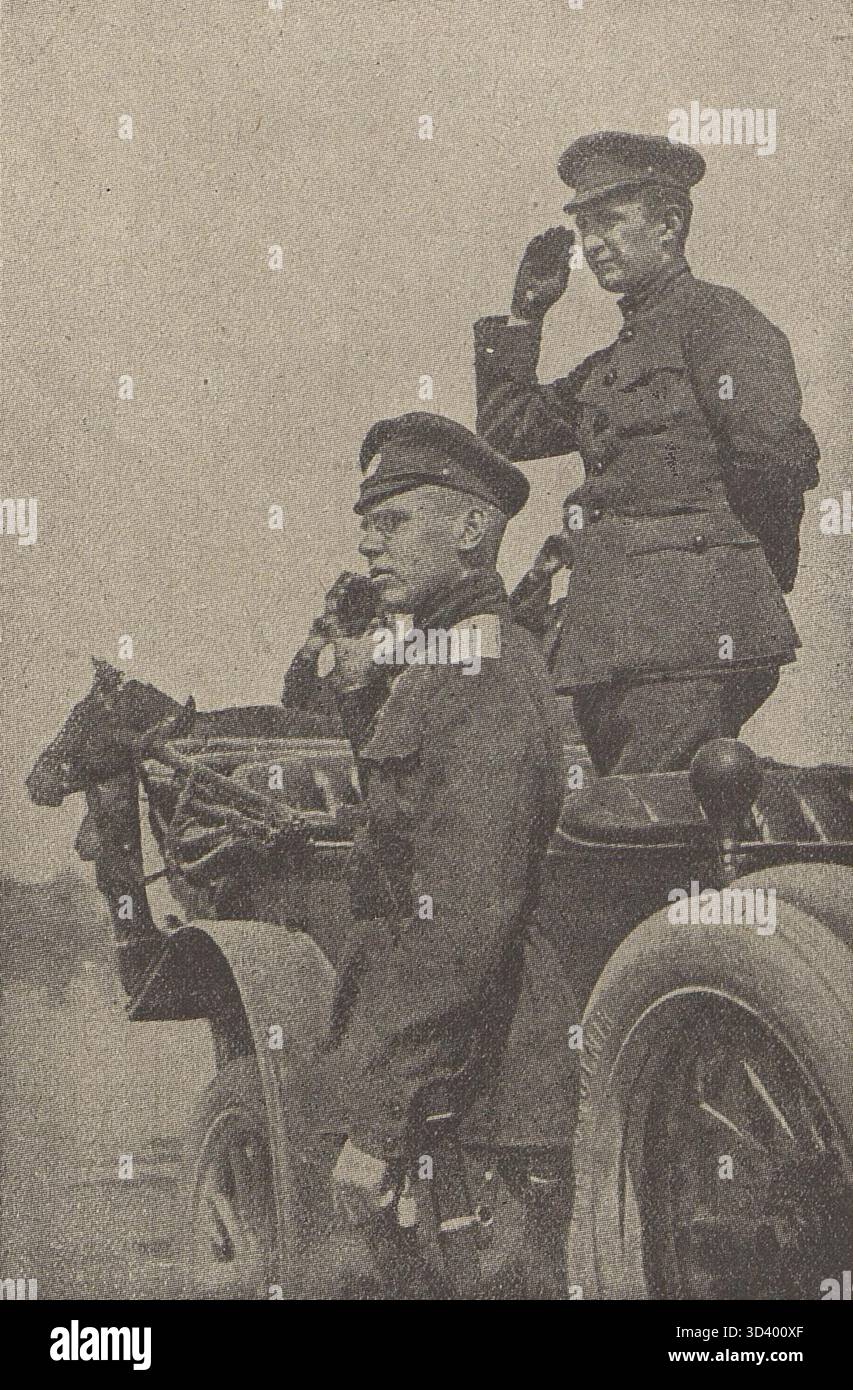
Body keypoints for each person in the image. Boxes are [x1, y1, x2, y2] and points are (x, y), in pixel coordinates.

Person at [302, 410, 579, 1297]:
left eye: (392, 521)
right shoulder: (442, 658)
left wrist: (379, 1126)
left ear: (468, 529)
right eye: (365, 523)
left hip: (475, 1106)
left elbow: (462, 922)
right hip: (447, 1094)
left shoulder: (478, 672)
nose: (368, 543)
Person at [474, 131, 820, 774]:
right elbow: (509, 431)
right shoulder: (617, 360)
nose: (593, 243)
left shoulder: (720, 322)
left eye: (611, 219)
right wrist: (525, 318)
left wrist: (734, 581)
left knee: (648, 808)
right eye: (585, 227)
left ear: (668, 225)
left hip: (691, 633)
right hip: (615, 634)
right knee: (623, 806)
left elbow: (777, 466)